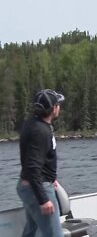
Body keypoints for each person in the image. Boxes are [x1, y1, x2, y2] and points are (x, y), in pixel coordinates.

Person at [17, 89, 65, 237]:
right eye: (58, 104)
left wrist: (51, 177)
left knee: (32, 231)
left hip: (33, 186)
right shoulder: (40, 131)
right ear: (54, 108)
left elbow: (37, 159)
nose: (59, 107)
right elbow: (32, 166)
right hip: (37, 188)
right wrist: (43, 199)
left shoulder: (34, 124)